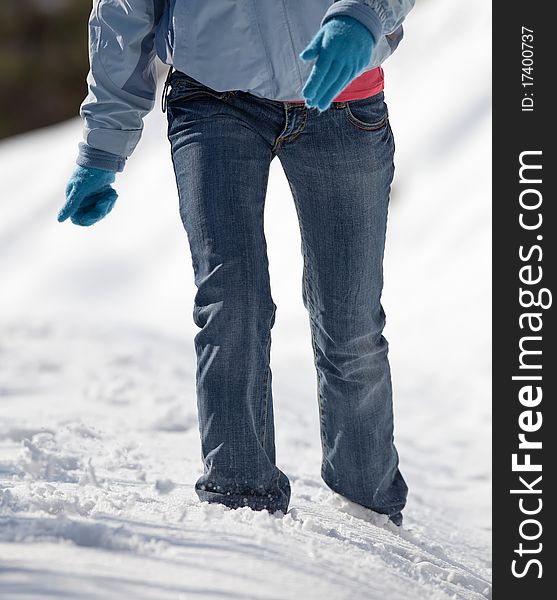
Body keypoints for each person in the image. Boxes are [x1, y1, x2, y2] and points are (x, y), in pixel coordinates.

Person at [58, 0, 415, 527]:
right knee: (232, 305)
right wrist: (103, 148)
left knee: (350, 323)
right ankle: (240, 505)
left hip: (340, 95)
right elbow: (123, 10)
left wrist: (364, 14)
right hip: (211, 100)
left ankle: (367, 509)